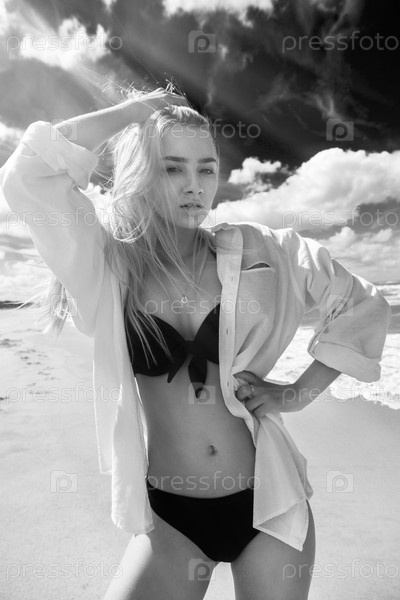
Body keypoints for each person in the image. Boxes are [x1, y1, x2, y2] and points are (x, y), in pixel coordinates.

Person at [0, 84, 391, 600]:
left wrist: (297, 393)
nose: (194, 186)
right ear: (143, 173)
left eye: (206, 169)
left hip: (269, 505)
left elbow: (363, 304)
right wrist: (136, 110)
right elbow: (28, 176)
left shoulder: (260, 251)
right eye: (172, 168)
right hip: (171, 517)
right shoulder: (111, 268)